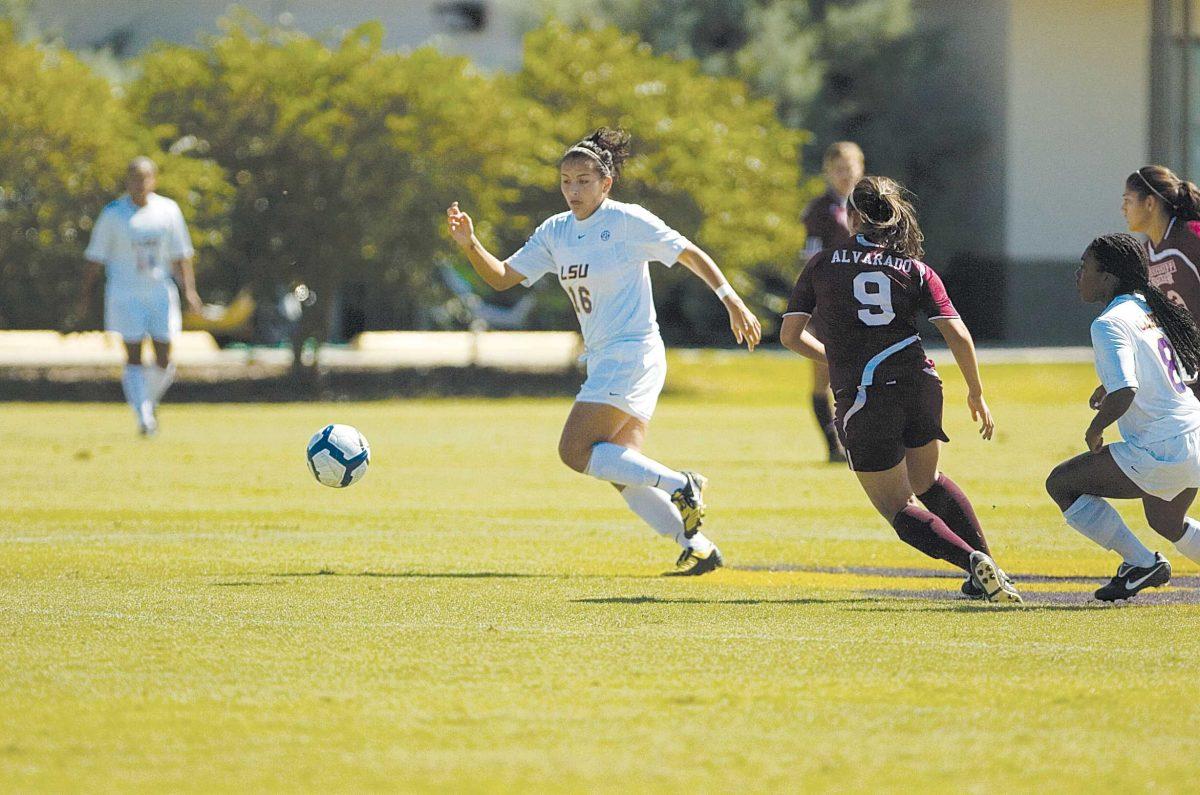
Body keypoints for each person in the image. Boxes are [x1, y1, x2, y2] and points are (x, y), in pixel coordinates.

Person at [445, 128, 762, 576]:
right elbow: (501, 278)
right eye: (566, 181)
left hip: (632, 354)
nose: (573, 190)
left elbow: (688, 252)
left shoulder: (627, 221)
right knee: (618, 468)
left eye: (583, 181)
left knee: (575, 452)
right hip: (612, 358)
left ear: (606, 183)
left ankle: (681, 483)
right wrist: (470, 244)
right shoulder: (555, 231)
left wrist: (731, 299)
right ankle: (698, 545)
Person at [779, 176, 1021, 603]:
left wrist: (834, 358)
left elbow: (790, 335)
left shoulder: (821, 264)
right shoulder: (915, 267)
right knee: (928, 480)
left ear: (851, 216)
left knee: (897, 505)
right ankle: (990, 564)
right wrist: (976, 392)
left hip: (866, 394)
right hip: (921, 384)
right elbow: (958, 334)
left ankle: (971, 563)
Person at [1045, 233, 1200, 601]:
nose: (1078, 274)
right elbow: (1175, 370)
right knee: (1165, 521)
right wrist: (1108, 385)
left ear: (1109, 277)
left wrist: (1095, 429)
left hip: (1163, 447)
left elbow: (1126, 391)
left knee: (1061, 484)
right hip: (1195, 435)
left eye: (1086, 267)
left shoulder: (1108, 322)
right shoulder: (1152, 306)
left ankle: (1142, 563)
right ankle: (1141, 564)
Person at [81, 156, 201, 435]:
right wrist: (85, 294)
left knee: (164, 356)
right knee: (133, 354)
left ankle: (145, 403)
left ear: (154, 180)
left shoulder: (168, 211)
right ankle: (145, 417)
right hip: (125, 293)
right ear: (127, 181)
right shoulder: (113, 214)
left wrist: (190, 291)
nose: (139, 183)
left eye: (144, 177)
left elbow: (181, 256)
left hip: (159, 291)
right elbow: (94, 258)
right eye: (134, 177)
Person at [800, 142, 865, 462]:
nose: (845, 175)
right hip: (829, 305)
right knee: (824, 374)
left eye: (850, 168)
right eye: (839, 169)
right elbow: (810, 258)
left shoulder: (870, 207)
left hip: (863, 305)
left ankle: (860, 442)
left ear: (861, 168)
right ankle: (834, 446)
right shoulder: (820, 211)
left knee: (861, 373)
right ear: (828, 172)